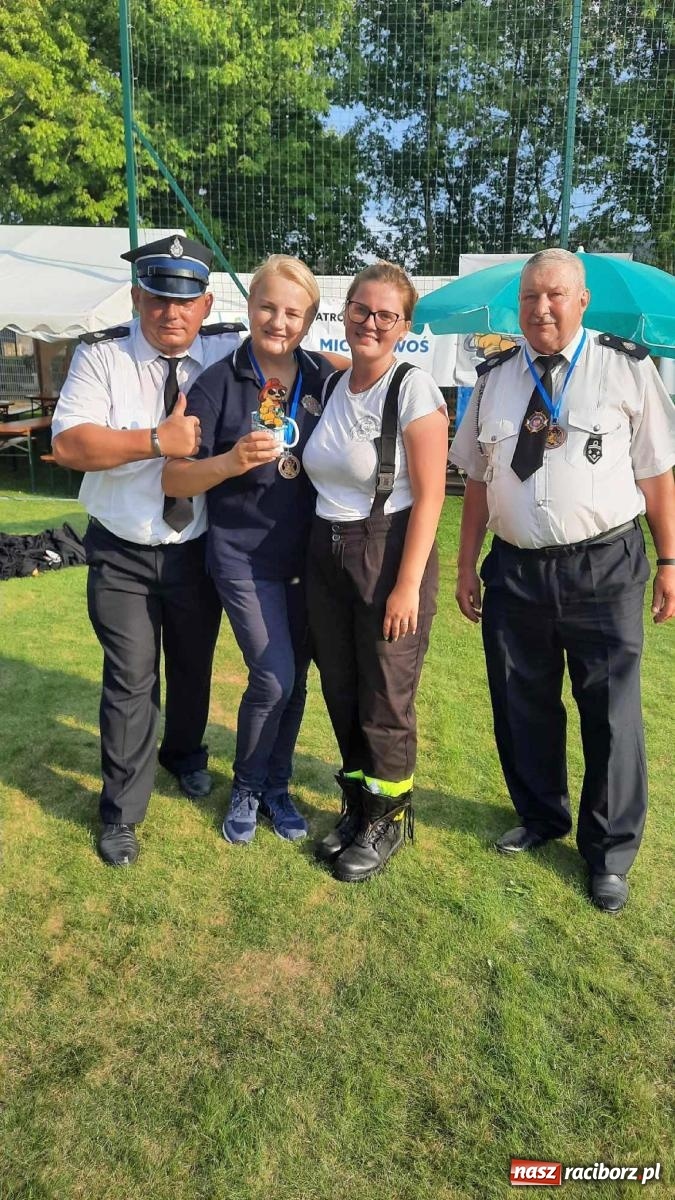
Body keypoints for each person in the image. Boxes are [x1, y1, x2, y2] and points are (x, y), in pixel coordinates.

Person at [450, 247, 675, 912]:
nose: (540, 308)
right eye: (528, 298)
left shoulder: (625, 368)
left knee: (610, 714)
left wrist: (669, 561)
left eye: (553, 296)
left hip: (602, 568)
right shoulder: (494, 376)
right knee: (522, 703)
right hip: (515, 569)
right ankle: (541, 814)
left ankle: (607, 853)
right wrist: (464, 564)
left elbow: (656, 476)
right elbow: (478, 477)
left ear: (580, 302)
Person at [51, 234, 243, 867]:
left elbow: (291, 349)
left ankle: (185, 755)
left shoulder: (225, 350)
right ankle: (122, 813)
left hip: (196, 549)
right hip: (123, 552)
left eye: (185, 302)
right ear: (138, 297)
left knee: (192, 670)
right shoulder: (101, 356)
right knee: (132, 681)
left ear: (206, 303)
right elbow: (73, 447)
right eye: (158, 299)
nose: (171, 313)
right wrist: (156, 440)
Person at [162, 255, 344, 844]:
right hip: (242, 558)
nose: (279, 320)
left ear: (311, 318)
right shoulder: (217, 381)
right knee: (273, 677)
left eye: (294, 312)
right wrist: (228, 461)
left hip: (308, 560)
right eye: (268, 306)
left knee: (296, 680)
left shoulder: (322, 377)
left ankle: (276, 786)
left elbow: (367, 373)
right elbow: (173, 478)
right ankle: (246, 785)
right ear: (249, 307)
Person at [303, 262, 448, 882]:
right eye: (361, 309)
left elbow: (434, 495)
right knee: (341, 686)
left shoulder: (414, 389)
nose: (370, 322)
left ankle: (388, 817)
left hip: (386, 547)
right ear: (345, 312)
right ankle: (360, 804)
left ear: (404, 326)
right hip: (325, 549)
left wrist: (408, 582)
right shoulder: (337, 385)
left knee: (386, 693)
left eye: (386, 315)